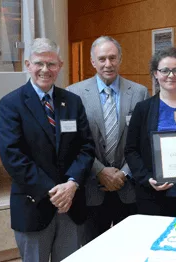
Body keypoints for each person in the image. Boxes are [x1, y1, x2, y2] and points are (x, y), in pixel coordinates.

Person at [0, 38, 95, 261]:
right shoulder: (11, 104)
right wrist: (54, 192)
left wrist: (71, 184)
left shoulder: (72, 102)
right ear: (27, 64)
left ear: (60, 65)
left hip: (71, 206)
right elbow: (13, 156)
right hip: (34, 206)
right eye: (39, 63)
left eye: (51, 64)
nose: (45, 70)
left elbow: (86, 147)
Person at [66, 36, 149, 243]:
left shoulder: (139, 92)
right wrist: (100, 171)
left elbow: (144, 140)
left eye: (113, 58)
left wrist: (124, 173)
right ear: (93, 62)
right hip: (92, 188)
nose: (108, 64)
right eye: (102, 59)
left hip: (128, 188)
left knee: (131, 248)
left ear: (120, 59)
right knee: (94, 251)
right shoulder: (74, 94)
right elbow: (73, 143)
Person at [125, 47, 176, 217]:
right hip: (153, 197)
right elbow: (131, 150)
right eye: (165, 70)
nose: (171, 75)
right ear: (155, 73)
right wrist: (148, 179)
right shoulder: (143, 109)